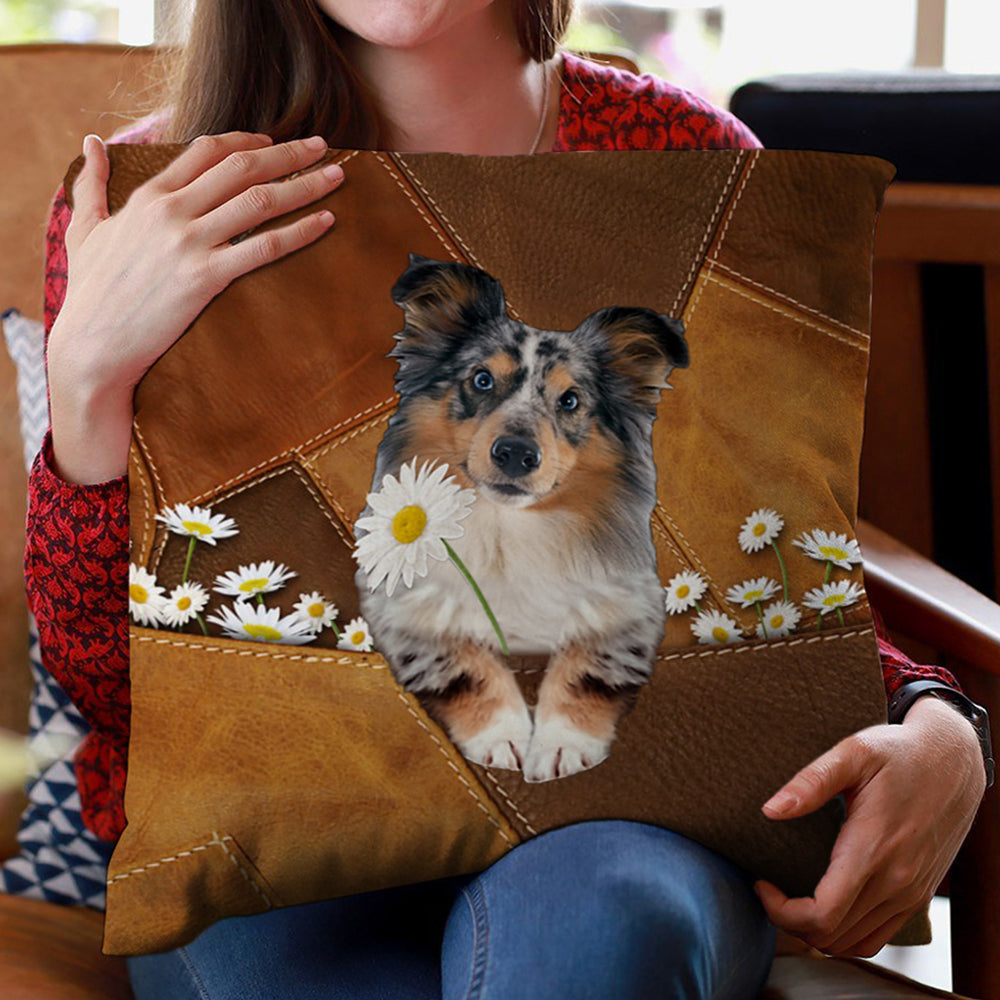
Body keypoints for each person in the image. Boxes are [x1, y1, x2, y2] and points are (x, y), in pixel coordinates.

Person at [24, 1, 987, 997]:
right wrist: (89, 382)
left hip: (618, 817)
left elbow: (750, 558)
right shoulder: (155, 205)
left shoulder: (691, 168)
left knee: (599, 925)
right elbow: (105, 681)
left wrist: (935, 713)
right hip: (273, 819)